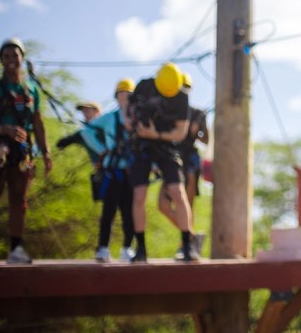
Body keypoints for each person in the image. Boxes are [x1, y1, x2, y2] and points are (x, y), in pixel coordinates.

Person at [0, 37, 53, 264]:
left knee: (19, 198)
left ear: (22, 58)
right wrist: (3, 129)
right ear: (1, 61)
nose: (11, 60)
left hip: (23, 150)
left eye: (15, 55)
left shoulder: (32, 90)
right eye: (6, 56)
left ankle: (16, 250)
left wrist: (45, 152)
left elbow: (37, 122)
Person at [126, 62, 198, 262]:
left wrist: (155, 133)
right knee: (139, 195)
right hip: (141, 145)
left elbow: (180, 133)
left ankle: (187, 245)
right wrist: (134, 122)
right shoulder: (144, 86)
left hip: (166, 146)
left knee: (177, 191)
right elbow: (128, 108)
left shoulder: (182, 97)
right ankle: (140, 249)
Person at [80, 79, 136, 262]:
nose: (124, 98)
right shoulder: (110, 118)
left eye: (128, 95)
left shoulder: (138, 119)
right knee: (109, 210)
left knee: (129, 211)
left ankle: (127, 248)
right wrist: (101, 149)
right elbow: (86, 132)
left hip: (130, 171)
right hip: (113, 170)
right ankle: (103, 248)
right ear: (116, 97)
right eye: (121, 94)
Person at [157, 72, 208, 257]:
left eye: (186, 87)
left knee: (186, 204)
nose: (183, 91)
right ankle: (193, 237)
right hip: (171, 159)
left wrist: (201, 127)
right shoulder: (168, 112)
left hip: (190, 161)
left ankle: (185, 245)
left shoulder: (197, 113)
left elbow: (206, 140)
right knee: (163, 205)